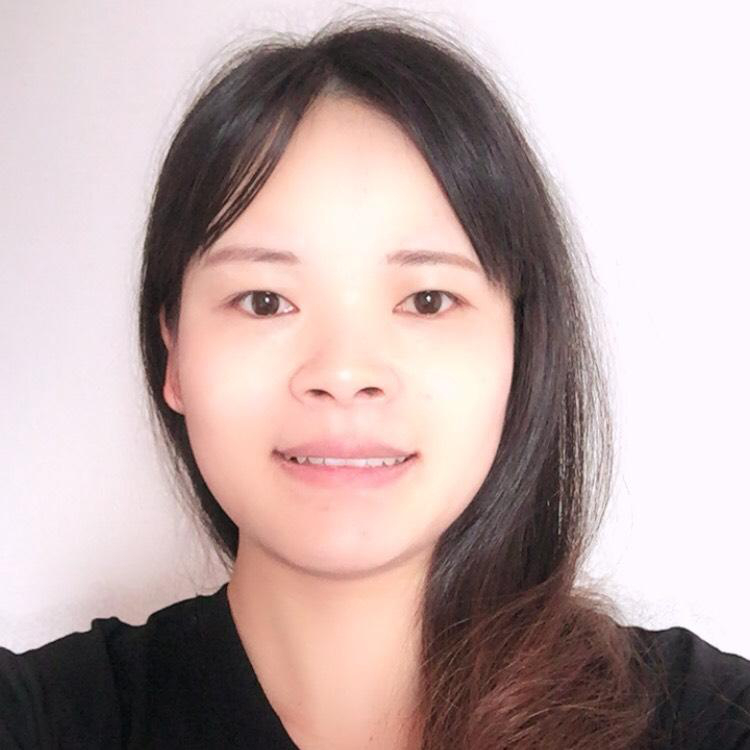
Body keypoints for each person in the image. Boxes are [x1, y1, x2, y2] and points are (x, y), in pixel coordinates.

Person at [1, 11, 748, 750]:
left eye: (427, 300)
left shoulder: (701, 719)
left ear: (521, 349)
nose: (343, 372)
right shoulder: (46, 720)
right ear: (174, 353)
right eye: (264, 301)